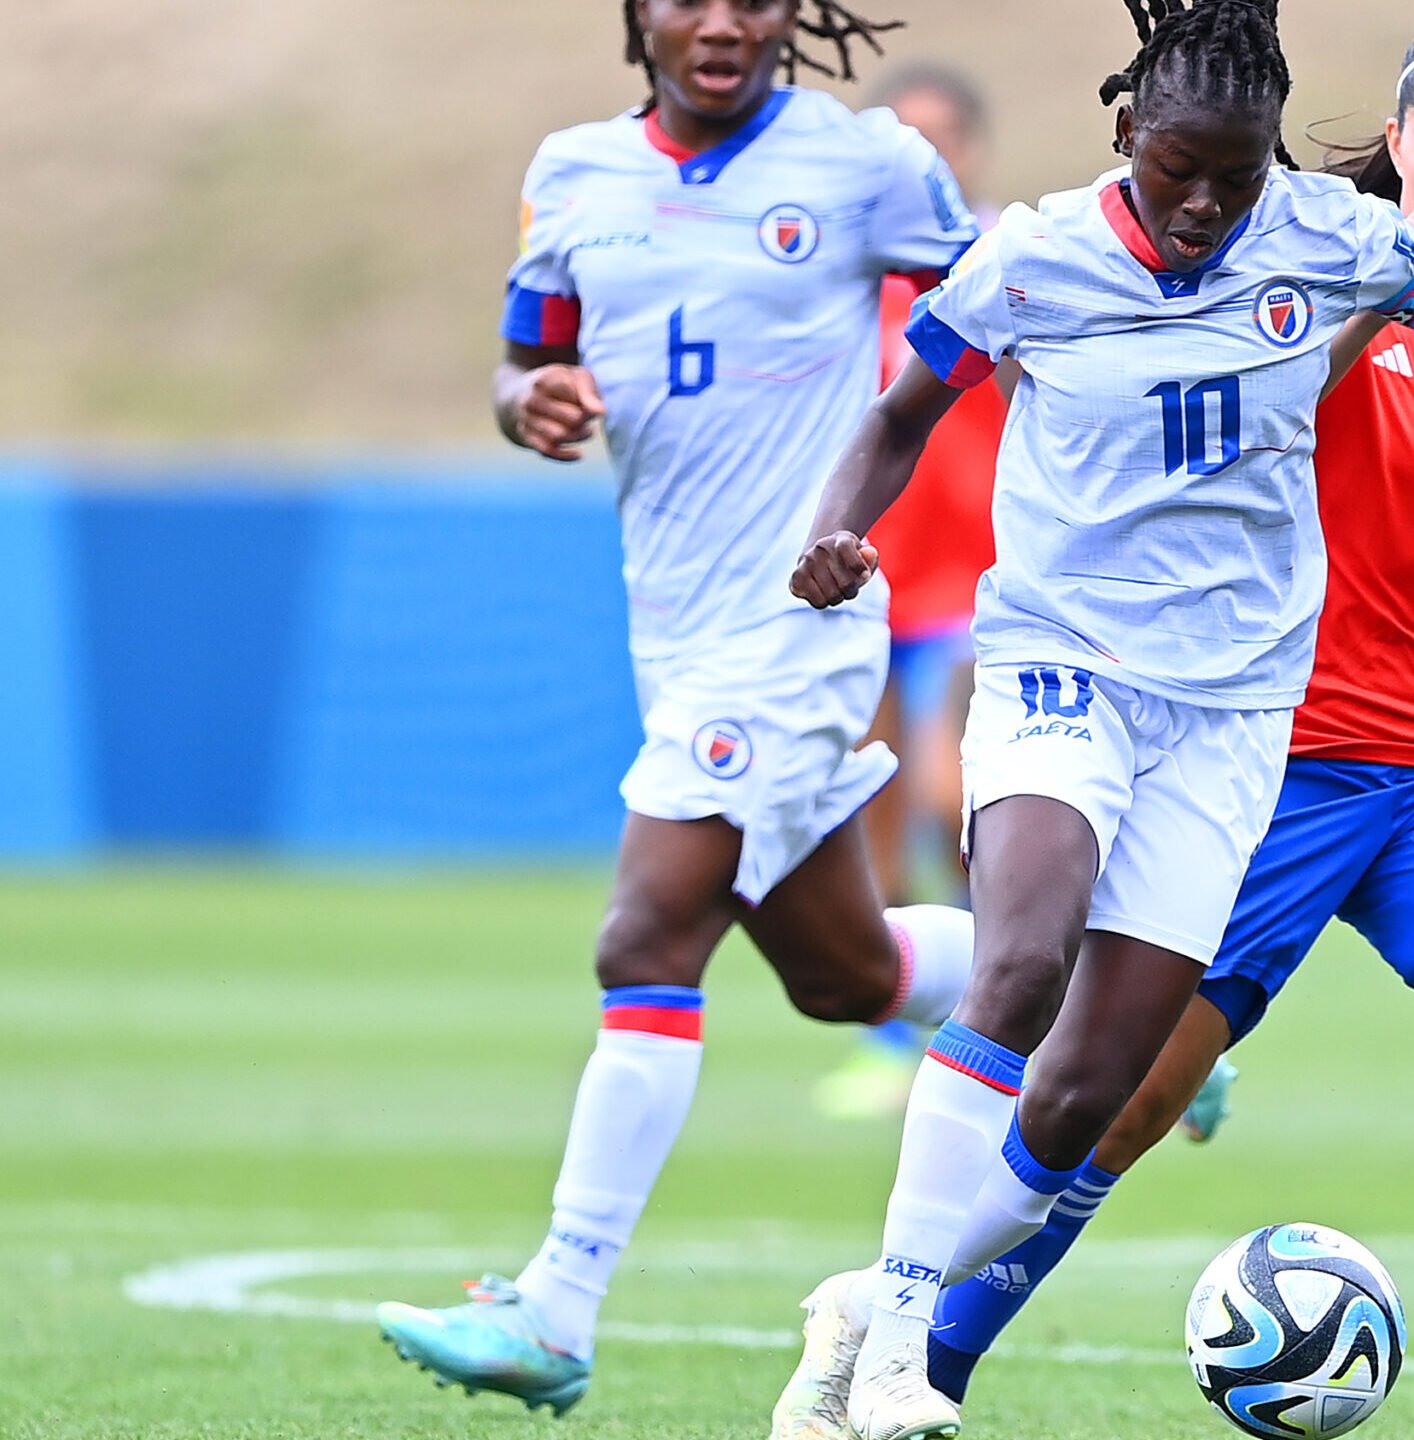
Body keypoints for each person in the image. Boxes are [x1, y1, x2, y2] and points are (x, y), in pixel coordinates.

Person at [767, 4, 1414, 1436]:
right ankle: (917, 1341)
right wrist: (1363, 310)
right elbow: (1222, 399)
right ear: (1392, 146)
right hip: (1265, 751)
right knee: (1121, 1099)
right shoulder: (1300, 270)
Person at [372, 0, 984, 1414]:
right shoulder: (576, 172)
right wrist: (528, 401)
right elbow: (524, 360)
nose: (723, 21)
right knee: (848, 980)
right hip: (678, 628)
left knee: (646, 925)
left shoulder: (868, 164)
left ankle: (558, 1309)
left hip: (805, 614)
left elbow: (1021, 307)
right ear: (639, 13)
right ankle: (1096, 996)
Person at [817, 62, 1008, 1122]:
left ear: (970, 149)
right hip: (866, 577)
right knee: (876, 816)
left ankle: (1024, 1015)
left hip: (977, 579)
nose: (922, 158)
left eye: (939, 137)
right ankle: (899, 1039)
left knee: (958, 801)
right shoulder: (850, 272)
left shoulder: (996, 260)